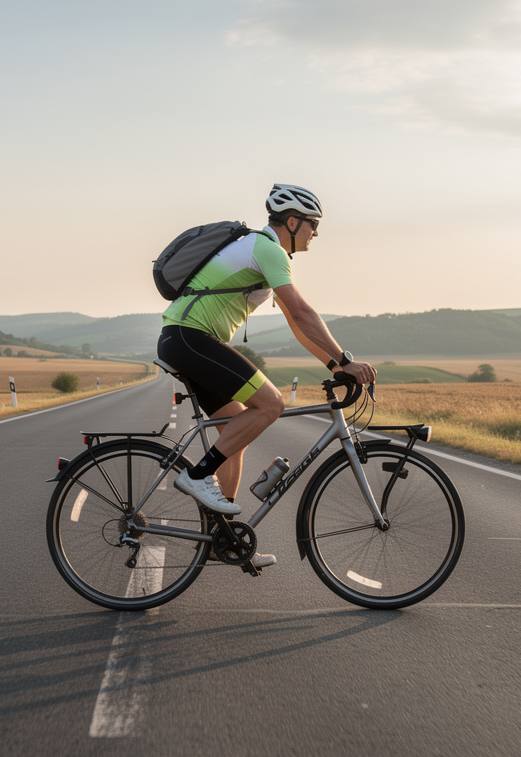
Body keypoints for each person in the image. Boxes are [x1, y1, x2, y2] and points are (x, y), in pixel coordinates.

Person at [157, 184, 376, 569]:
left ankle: (219, 539)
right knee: (271, 403)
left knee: (235, 430)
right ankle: (198, 476)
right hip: (189, 338)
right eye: (312, 224)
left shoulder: (263, 251)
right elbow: (304, 312)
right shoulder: (268, 248)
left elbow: (294, 323)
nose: (316, 233)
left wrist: (334, 366)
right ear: (292, 222)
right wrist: (344, 358)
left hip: (184, 339)